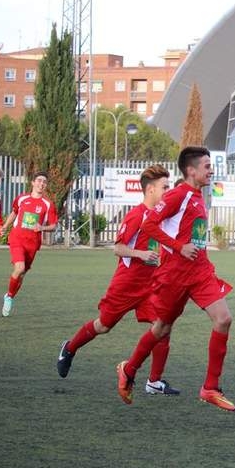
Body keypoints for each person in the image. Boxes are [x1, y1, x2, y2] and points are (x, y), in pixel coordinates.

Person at [117, 146, 235, 411]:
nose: (211, 170)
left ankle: (210, 387)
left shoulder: (198, 196)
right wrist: (178, 246)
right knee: (162, 328)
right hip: (175, 275)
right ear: (191, 170)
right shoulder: (177, 195)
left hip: (200, 271)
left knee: (224, 319)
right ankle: (130, 368)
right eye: (207, 166)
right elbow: (148, 224)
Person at [57, 165, 178, 395]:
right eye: (165, 187)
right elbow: (118, 248)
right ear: (150, 189)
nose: (168, 190)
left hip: (152, 286)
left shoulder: (162, 217)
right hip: (127, 284)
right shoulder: (136, 215)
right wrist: (141, 254)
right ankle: (70, 348)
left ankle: (154, 381)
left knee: (164, 326)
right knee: (103, 325)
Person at [0, 172, 59, 316]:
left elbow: (53, 225)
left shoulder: (48, 204)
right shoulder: (22, 198)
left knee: (22, 274)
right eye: (39, 181)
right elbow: (14, 212)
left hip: (33, 243)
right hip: (17, 238)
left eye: (44, 182)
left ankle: (10, 296)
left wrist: (42, 227)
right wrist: (6, 226)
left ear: (46, 186)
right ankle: (8, 296)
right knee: (19, 268)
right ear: (32, 183)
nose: (41, 184)